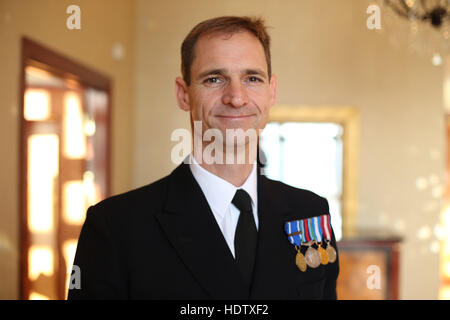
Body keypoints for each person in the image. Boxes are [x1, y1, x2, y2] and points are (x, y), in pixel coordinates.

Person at [68, 16, 339, 300]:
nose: (236, 97)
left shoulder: (309, 211)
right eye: (214, 79)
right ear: (184, 94)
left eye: (252, 78)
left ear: (271, 91)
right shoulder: (115, 227)